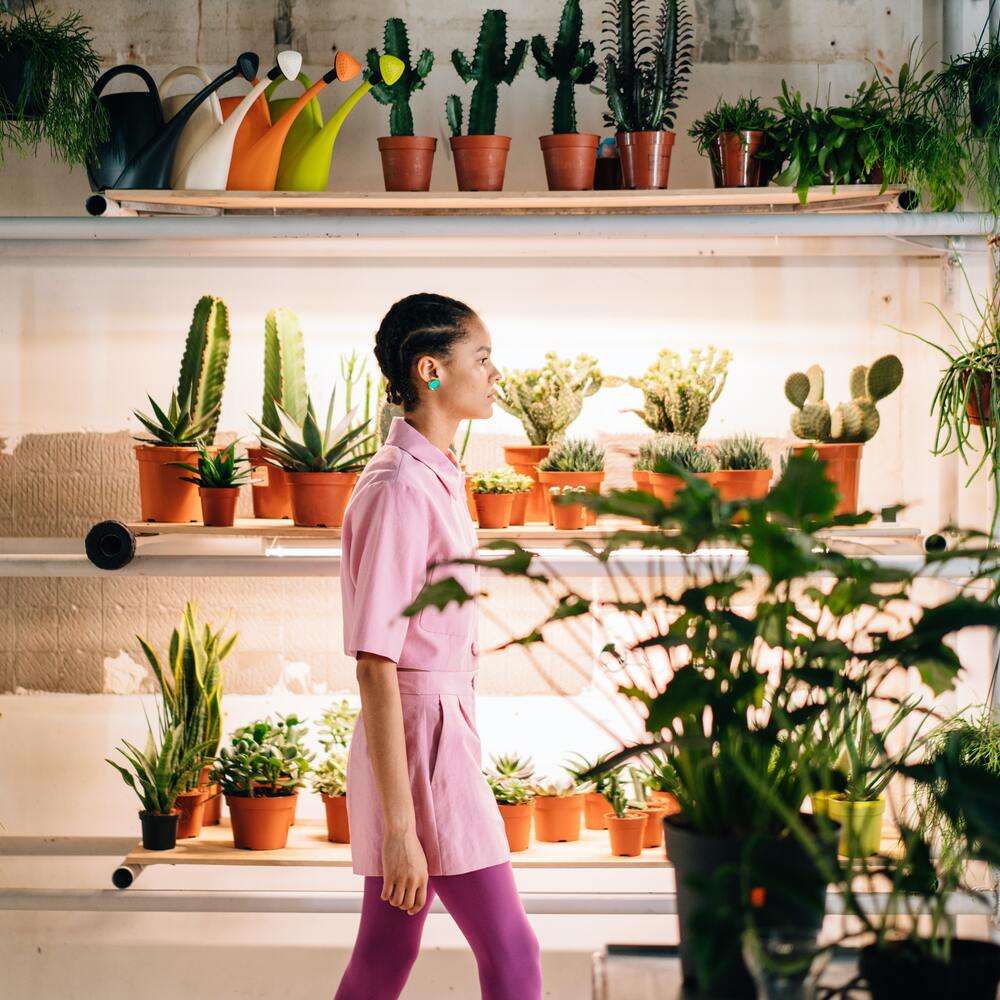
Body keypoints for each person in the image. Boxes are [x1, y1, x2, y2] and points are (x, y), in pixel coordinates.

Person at [333, 293, 543, 1000]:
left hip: (437, 735)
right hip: (422, 746)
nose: (494, 375)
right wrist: (400, 828)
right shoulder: (398, 489)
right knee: (513, 953)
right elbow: (374, 663)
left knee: (386, 955)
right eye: (480, 359)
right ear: (430, 371)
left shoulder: (440, 477)